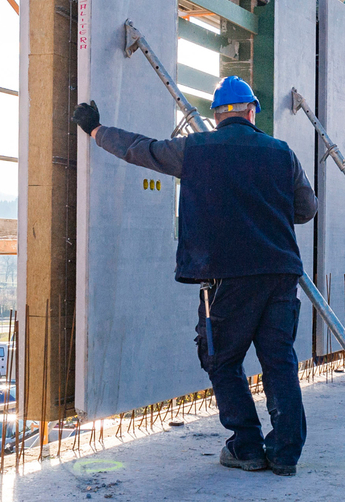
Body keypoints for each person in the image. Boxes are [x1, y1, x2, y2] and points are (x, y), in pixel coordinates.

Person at [71, 75, 317, 477]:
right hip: (280, 274)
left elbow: (141, 150)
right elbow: (306, 209)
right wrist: (264, 211)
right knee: (279, 361)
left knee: (221, 359)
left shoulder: (195, 150)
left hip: (228, 279)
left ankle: (247, 446)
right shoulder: (282, 154)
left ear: (218, 115)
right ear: (251, 111)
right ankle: (286, 453)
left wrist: (97, 130)